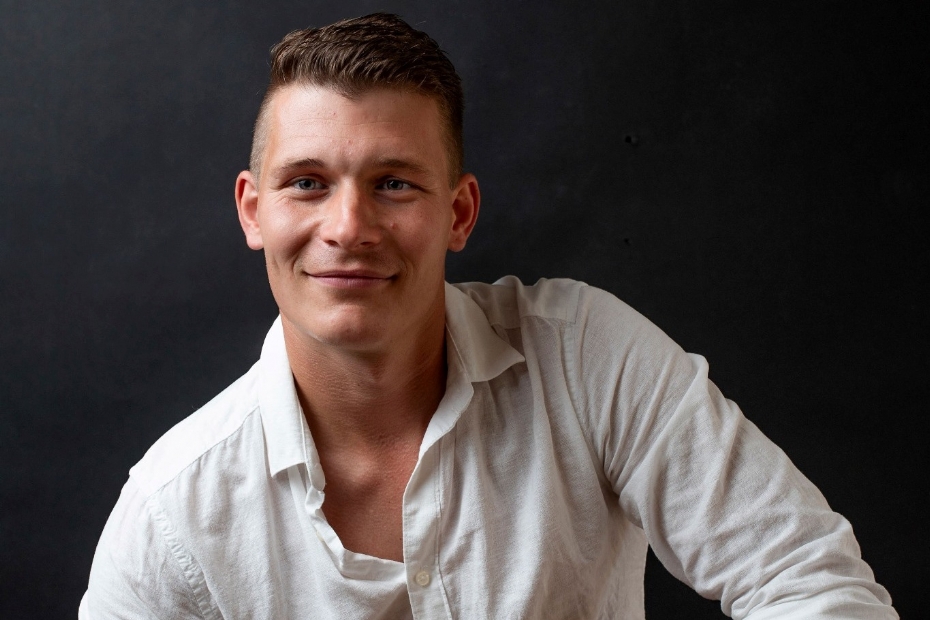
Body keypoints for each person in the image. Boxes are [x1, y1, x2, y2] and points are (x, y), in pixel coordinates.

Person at [80, 13, 897, 619]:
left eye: (394, 183)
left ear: (460, 213)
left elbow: (814, 584)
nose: (349, 227)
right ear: (253, 211)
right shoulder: (171, 514)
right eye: (307, 183)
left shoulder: (583, 357)